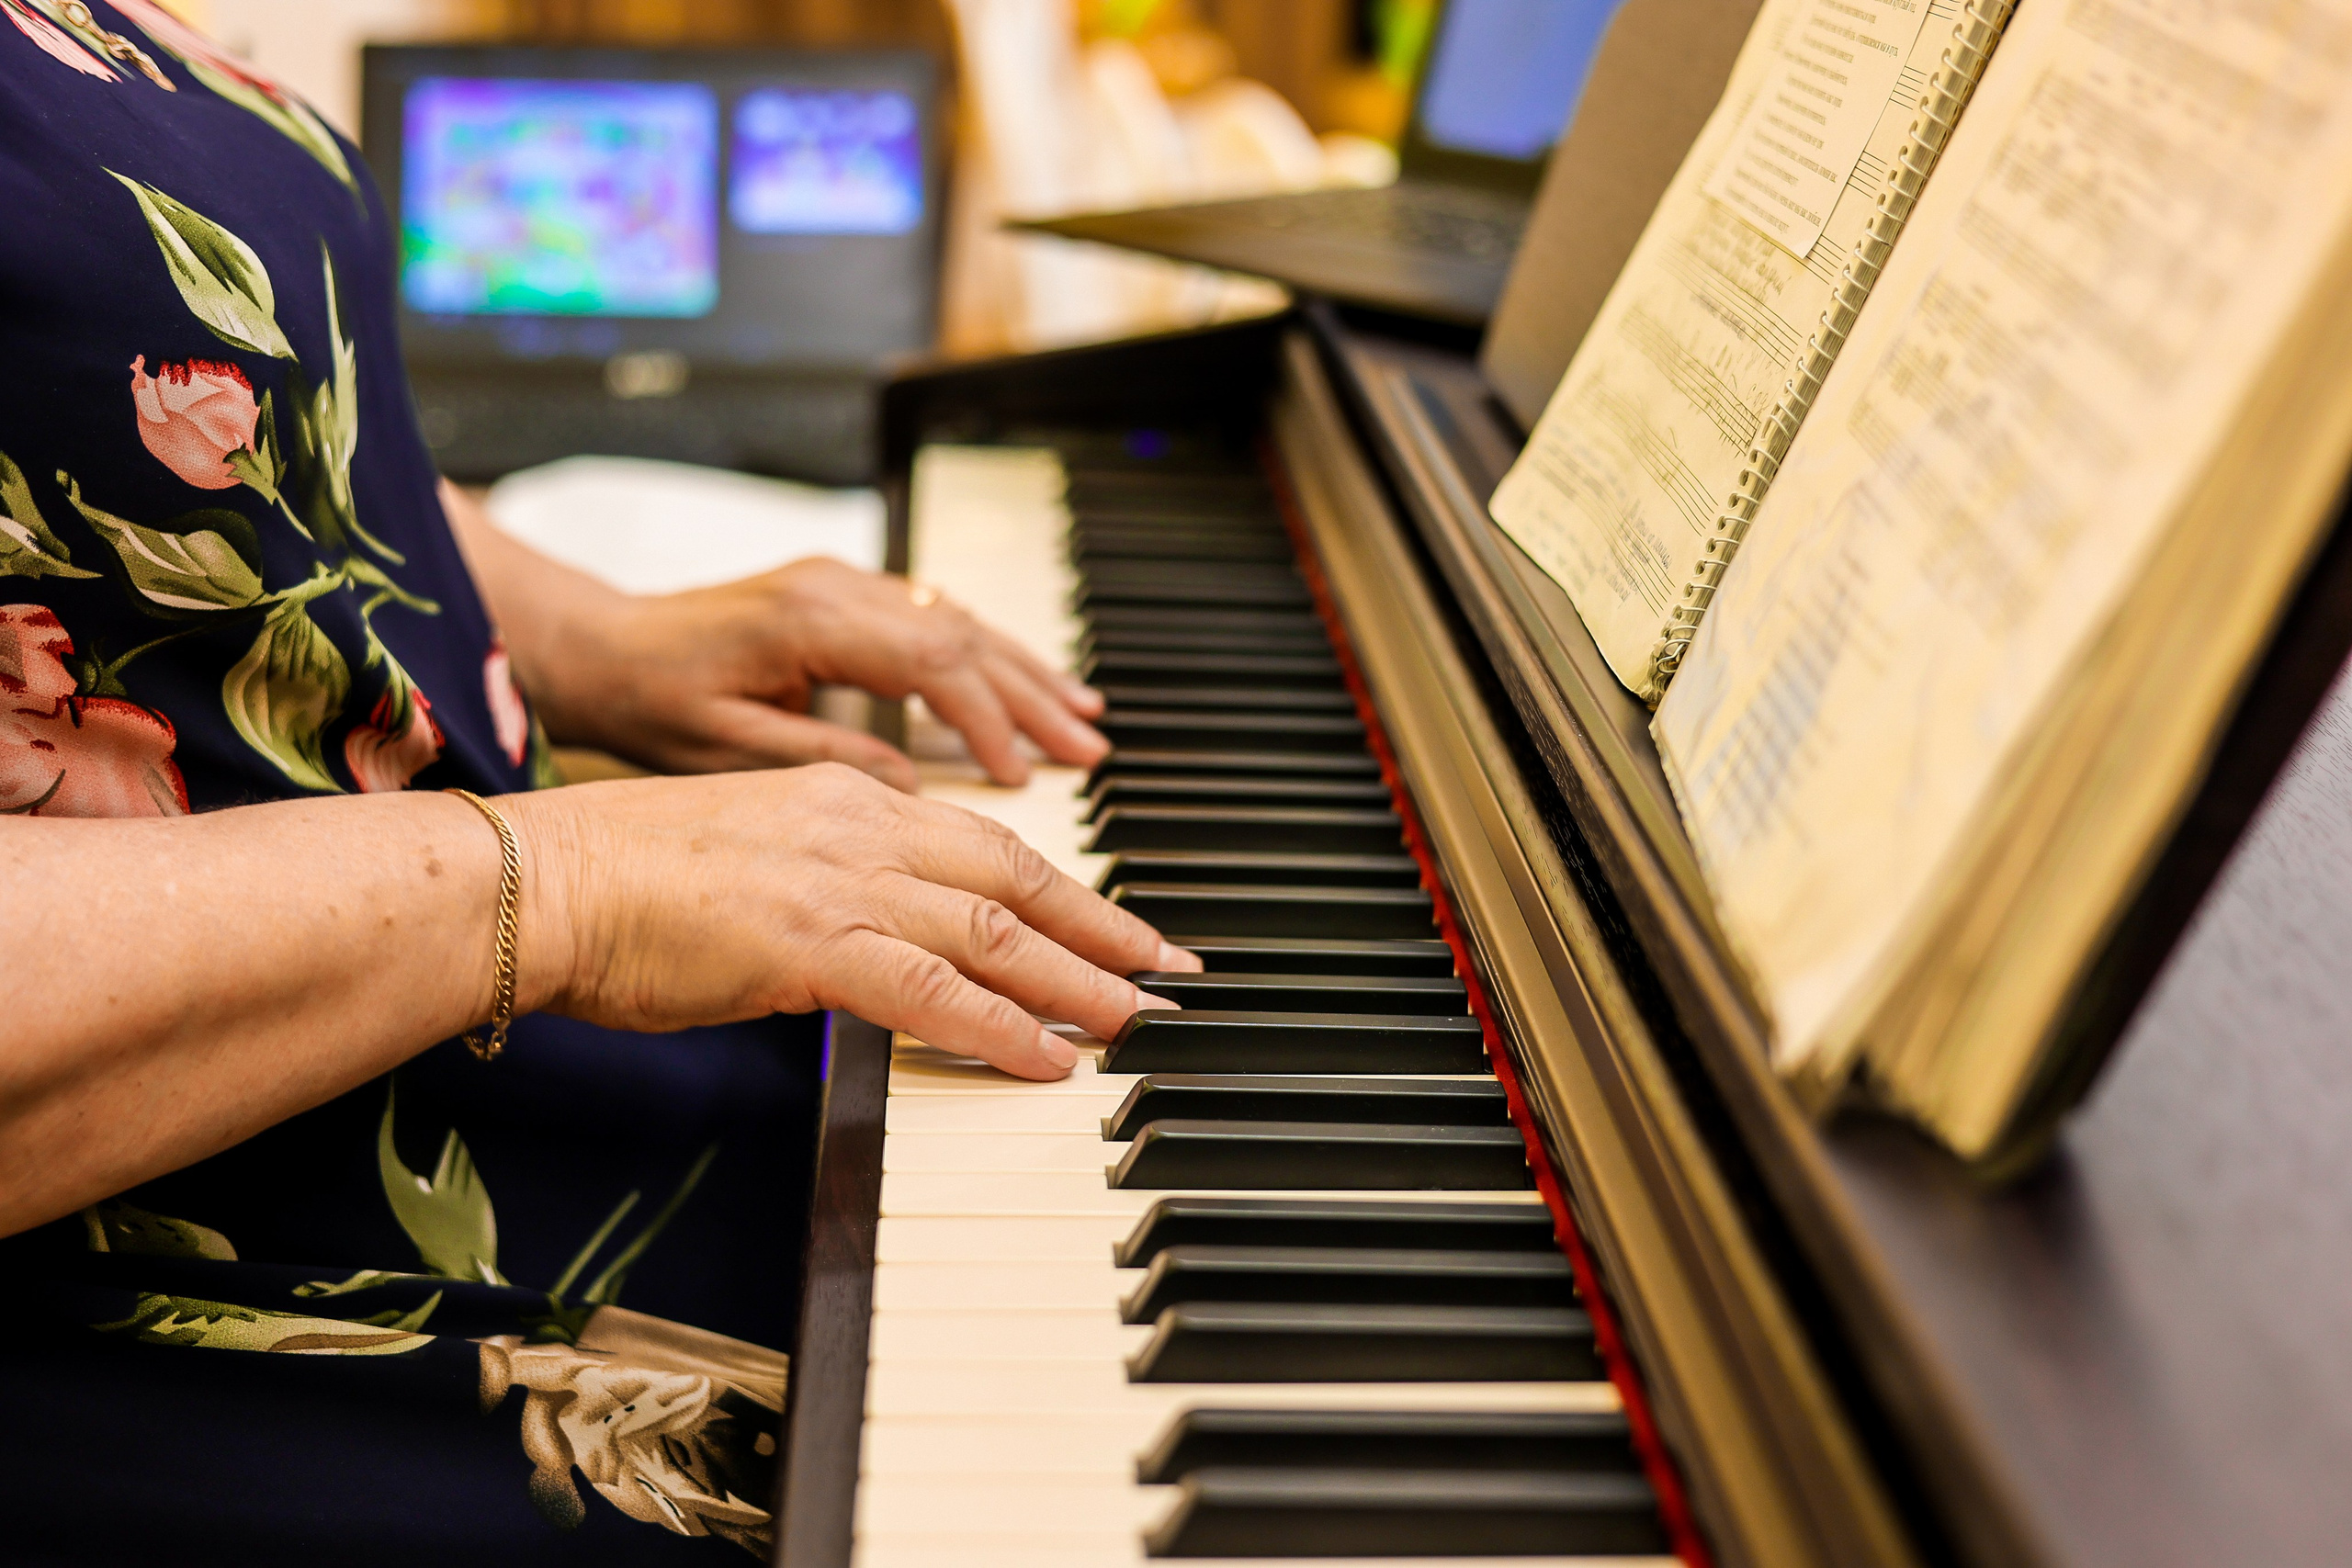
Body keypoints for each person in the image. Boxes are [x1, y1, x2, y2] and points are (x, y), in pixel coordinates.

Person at [0, 6, 1188, 1561]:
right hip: (238, 1285)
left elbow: (172, 437)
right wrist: (566, 884)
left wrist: (590, 637)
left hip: (480, 1029)